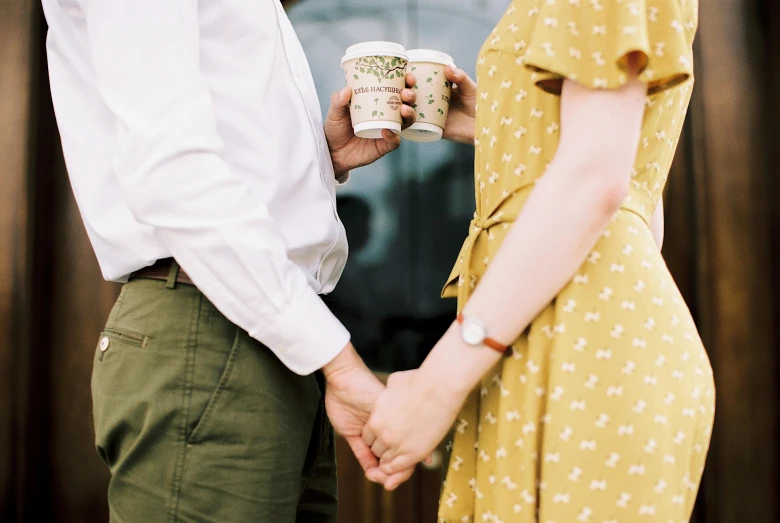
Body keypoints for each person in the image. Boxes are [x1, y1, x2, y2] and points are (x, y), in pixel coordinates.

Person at [40, 0, 438, 520]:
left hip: (262, 332)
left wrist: (321, 158)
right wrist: (336, 360)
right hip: (211, 328)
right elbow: (172, 172)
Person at [363, 1, 715, 521]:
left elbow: (598, 181)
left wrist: (439, 383)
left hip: (583, 350)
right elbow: (633, 190)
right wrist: (507, 122)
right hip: (562, 333)